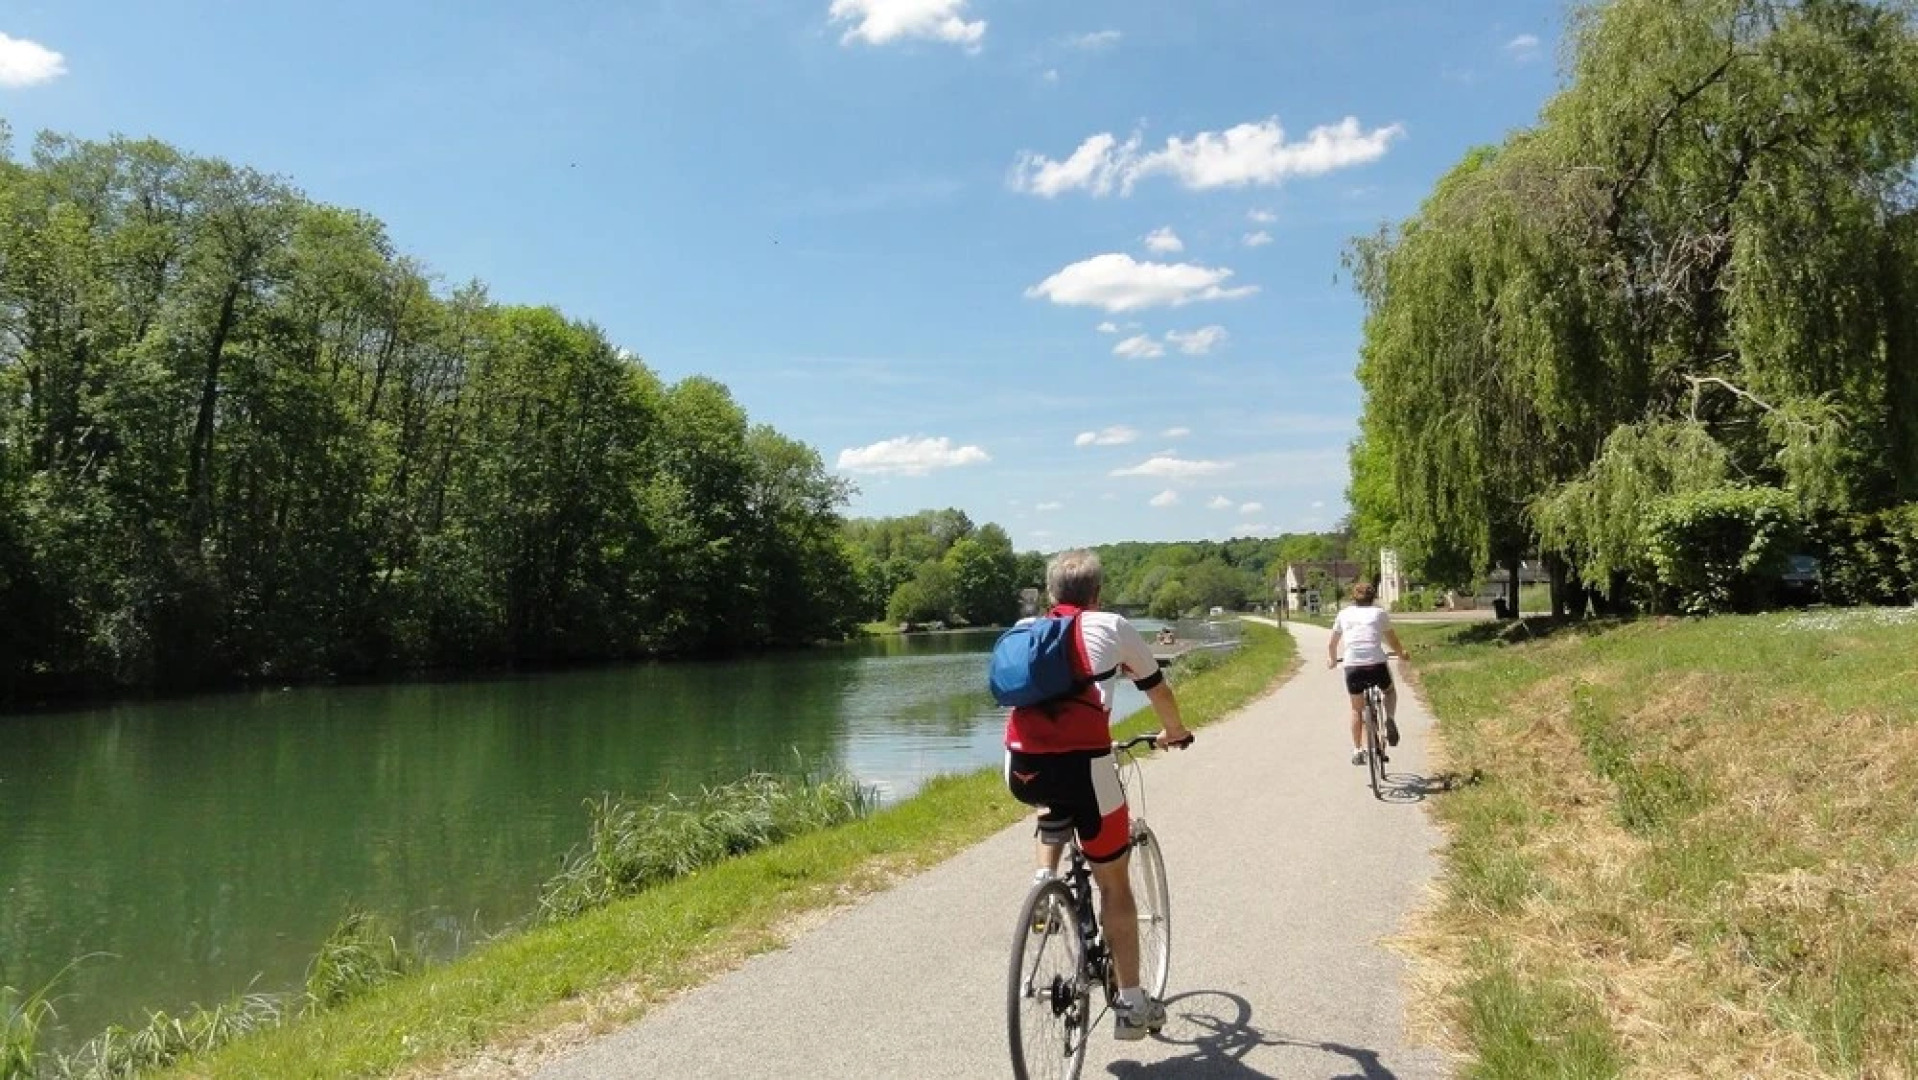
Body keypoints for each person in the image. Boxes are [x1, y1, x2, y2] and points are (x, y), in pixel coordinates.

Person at [1004, 548, 1193, 1040]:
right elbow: (1156, 688)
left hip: (1021, 763)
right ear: (1097, 593)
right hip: (1086, 763)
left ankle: (1043, 880)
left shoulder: (1027, 631)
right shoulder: (1112, 626)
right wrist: (1173, 730)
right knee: (1114, 881)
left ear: (1051, 596)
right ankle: (1131, 1005)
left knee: (1052, 801)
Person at [1326, 580, 1406, 766]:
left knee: (1356, 709)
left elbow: (1332, 644)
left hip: (1353, 666)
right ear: (1373, 597)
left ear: (1353, 597)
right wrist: (1402, 654)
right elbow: (1392, 640)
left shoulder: (1344, 614)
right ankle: (1390, 719)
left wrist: (1331, 660)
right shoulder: (1379, 613)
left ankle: (1358, 750)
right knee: (1389, 691)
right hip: (1376, 664)